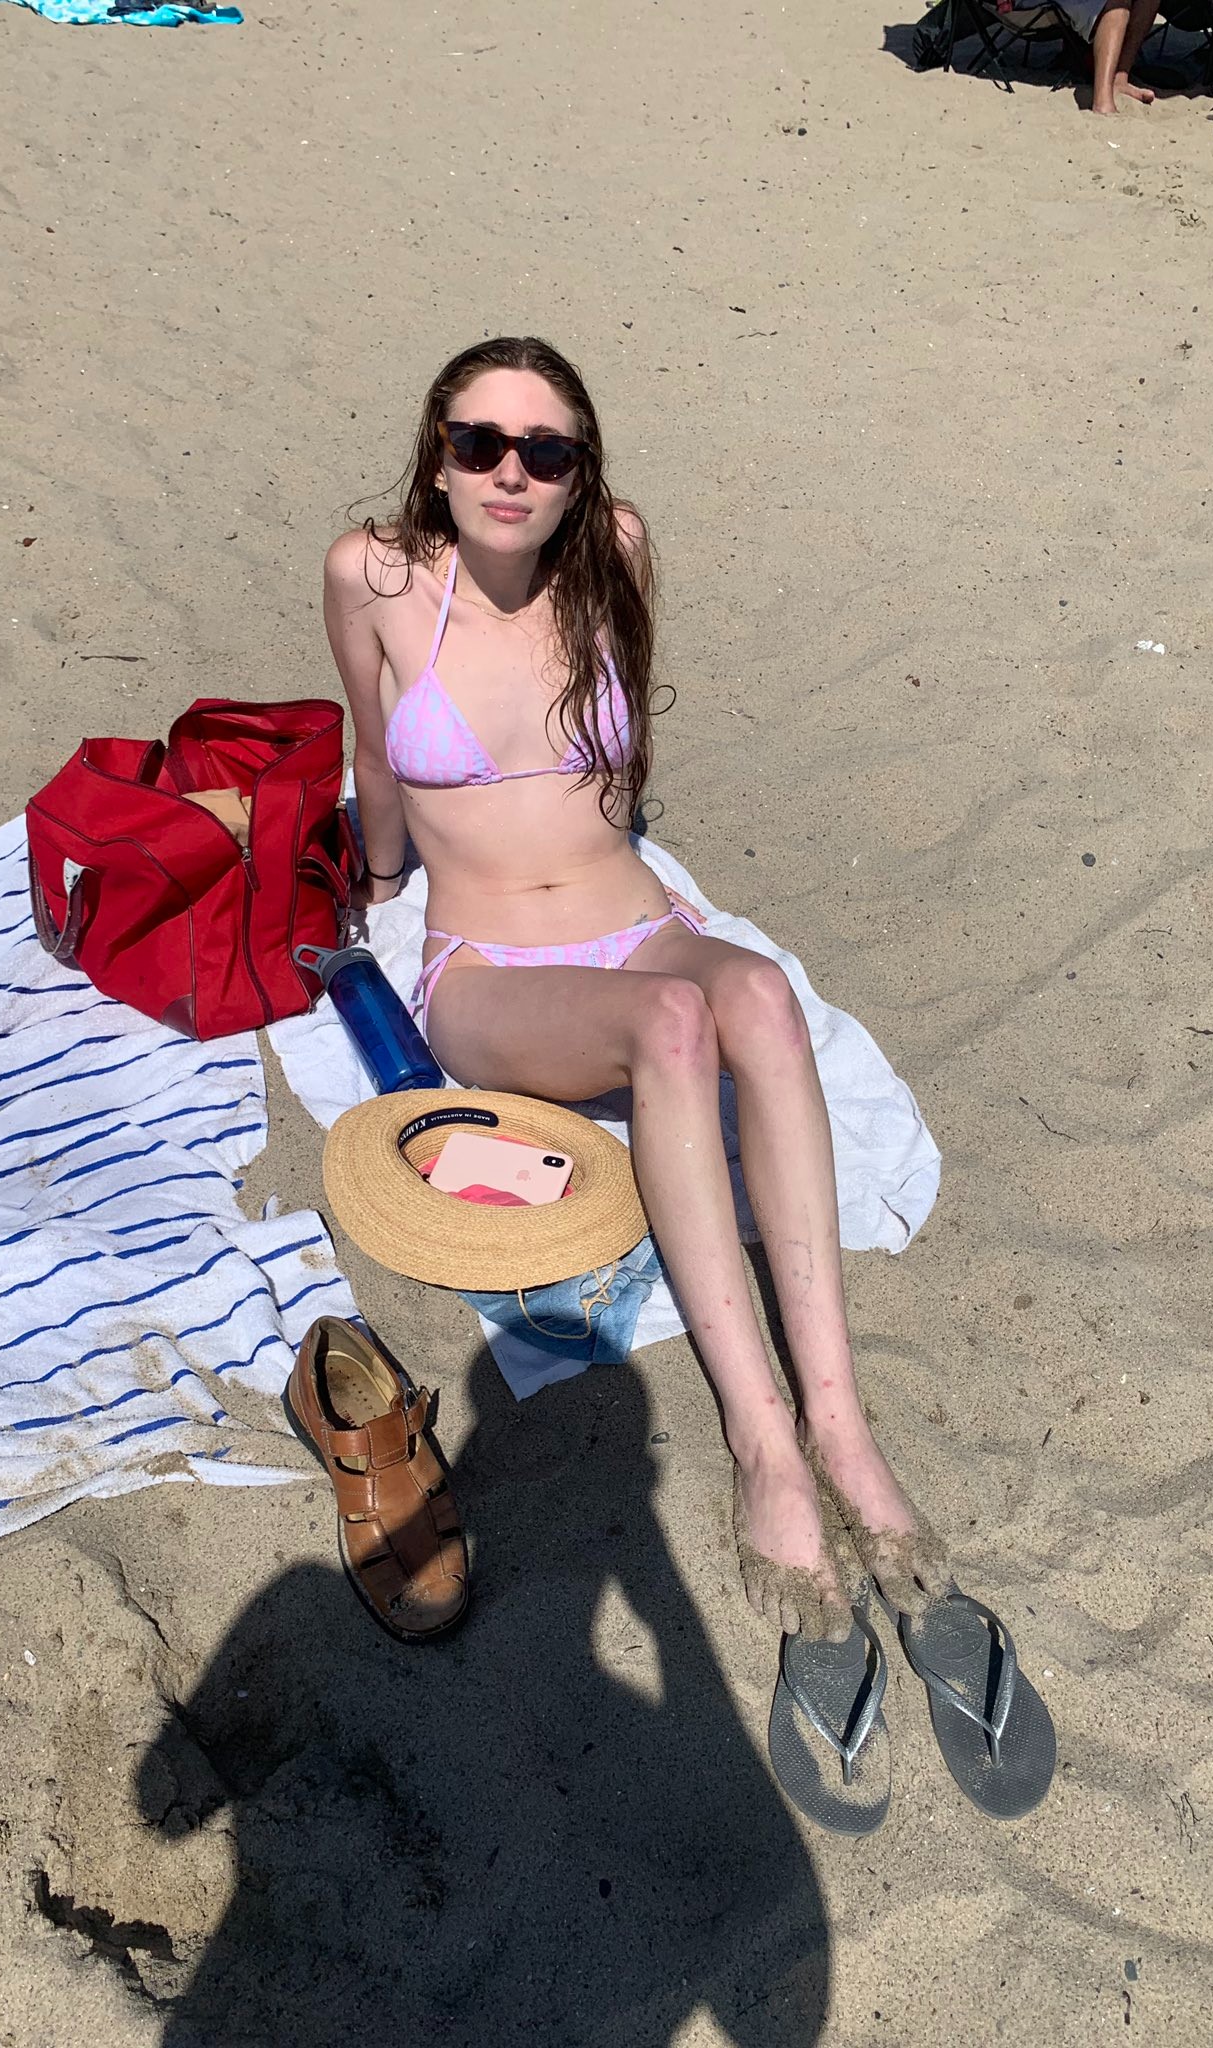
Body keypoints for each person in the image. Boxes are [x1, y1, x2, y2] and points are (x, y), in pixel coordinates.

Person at [322, 337, 948, 1642]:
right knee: (673, 1023)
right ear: (436, 457)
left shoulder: (615, 549)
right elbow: (375, 755)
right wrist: (378, 887)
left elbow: (626, 750)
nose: (510, 473)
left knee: (758, 995)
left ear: (579, 470)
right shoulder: (372, 575)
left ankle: (839, 1422)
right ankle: (763, 1440)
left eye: (544, 451)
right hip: (489, 965)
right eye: (479, 443)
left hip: (636, 920)